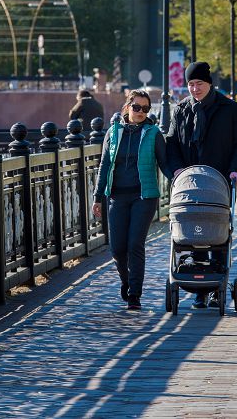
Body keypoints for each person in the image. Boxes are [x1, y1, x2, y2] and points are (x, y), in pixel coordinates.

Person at [166, 61, 237, 308]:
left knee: (218, 228)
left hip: (220, 180)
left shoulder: (230, 109)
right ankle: (199, 289)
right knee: (193, 228)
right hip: (190, 182)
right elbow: (171, 143)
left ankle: (216, 284)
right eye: (190, 84)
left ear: (209, 84)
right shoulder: (181, 109)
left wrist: (236, 170)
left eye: (199, 84)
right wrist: (177, 170)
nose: (194, 89)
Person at [91, 90, 169, 310]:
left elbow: (164, 164)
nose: (141, 112)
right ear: (127, 107)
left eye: (145, 109)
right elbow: (104, 165)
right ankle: (126, 282)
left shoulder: (153, 133)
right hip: (117, 196)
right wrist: (97, 197)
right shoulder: (113, 132)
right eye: (137, 107)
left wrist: (181, 179)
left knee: (135, 244)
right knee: (117, 248)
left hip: (144, 197)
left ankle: (135, 294)